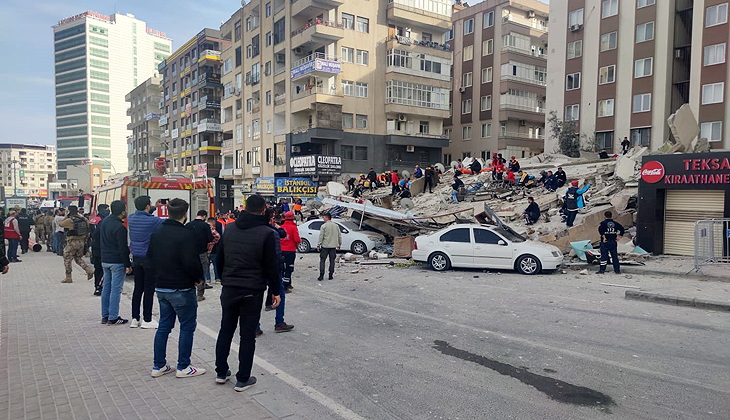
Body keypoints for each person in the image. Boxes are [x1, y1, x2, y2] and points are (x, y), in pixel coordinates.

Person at [215, 195, 281, 391]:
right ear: (263, 210)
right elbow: (272, 266)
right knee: (247, 335)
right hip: (252, 290)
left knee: (225, 329)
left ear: (244, 207)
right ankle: (243, 378)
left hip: (230, 287)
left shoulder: (231, 228)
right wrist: (275, 291)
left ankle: (221, 371)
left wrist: (224, 279)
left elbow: (220, 258)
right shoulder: (266, 233)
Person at [147, 198, 207, 378]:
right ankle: (184, 366)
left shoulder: (157, 233)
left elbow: (150, 258)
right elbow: (191, 261)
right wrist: (198, 279)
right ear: (185, 214)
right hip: (181, 287)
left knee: (164, 326)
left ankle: (159, 366)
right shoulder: (186, 234)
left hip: (162, 287)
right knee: (187, 326)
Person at [128, 196, 165, 329]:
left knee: (138, 288)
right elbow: (166, 222)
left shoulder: (131, 218)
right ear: (147, 207)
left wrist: (154, 207)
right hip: (149, 259)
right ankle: (147, 319)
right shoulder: (154, 221)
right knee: (149, 289)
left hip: (136, 258)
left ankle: (135, 318)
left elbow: (145, 214)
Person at [99, 200, 132, 325]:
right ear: (122, 211)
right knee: (116, 289)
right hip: (117, 262)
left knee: (106, 288)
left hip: (105, 260)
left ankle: (105, 315)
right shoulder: (120, 228)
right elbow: (122, 248)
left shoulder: (104, 222)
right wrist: (127, 265)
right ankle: (113, 317)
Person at [59, 205, 94, 284]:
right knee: (78, 258)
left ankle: (68, 277)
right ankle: (88, 270)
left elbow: (60, 224)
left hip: (72, 242)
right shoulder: (84, 219)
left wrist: (66, 216)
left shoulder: (69, 220)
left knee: (67, 259)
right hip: (81, 241)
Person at [186, 210, 215, 301]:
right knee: (202, 273)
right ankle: (199, 294)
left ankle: (189, 292)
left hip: (190, 253)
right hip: (202, 252)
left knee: (189, 272)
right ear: (204, 216)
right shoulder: (205, 226)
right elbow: (210, 238)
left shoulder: (188, 225)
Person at [90, 204, 109, 296]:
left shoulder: (93, 219)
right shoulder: (101, 221)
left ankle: (97, 285)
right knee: (101, 269)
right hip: (100, 247)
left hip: (94, 246)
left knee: (97, 268)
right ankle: (99, 287)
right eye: (107, 209)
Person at [317, 212, 341, 281]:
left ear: (327, 217)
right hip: (333, 246)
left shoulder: (324, 226)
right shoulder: (336, 226)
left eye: (324, 217)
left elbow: (321, 236)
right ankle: (331, 275)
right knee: (332, 261)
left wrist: (319, 244)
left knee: (322, 260)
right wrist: (339, 244)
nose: (323, 219)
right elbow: (339, 236)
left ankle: (321, 275)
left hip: (325, 246)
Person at [280, 211, 300, 292]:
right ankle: (285, 287)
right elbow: (297, 239)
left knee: (282, 269)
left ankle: (284, 284)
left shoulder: (281, 227)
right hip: (290, 251)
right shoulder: (293, 227)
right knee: (289, 269)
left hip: (281, 250)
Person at [207, 217, 222, 282]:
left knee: (207, 264)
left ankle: (208, 278)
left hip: (206, 249)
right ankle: (217, 278)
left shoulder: (205, 227)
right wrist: (214, 241)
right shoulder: (212, 228)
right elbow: (218, 236)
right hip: (214, 248)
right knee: (215, 263)